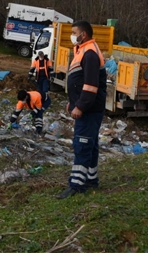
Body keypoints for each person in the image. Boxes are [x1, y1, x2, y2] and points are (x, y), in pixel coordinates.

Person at [57, 20, 107, 199]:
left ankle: (77, 185)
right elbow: (79, 82)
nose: (72, 35)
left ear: (83, 34)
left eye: (74, 32)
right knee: (90, 144)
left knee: (82, 144)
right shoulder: (82, 50)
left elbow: (90, 86)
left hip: (89, 109)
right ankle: (91, 179)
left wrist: (80, 106)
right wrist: (73, 102)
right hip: (87, 107)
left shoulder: (90, 53)